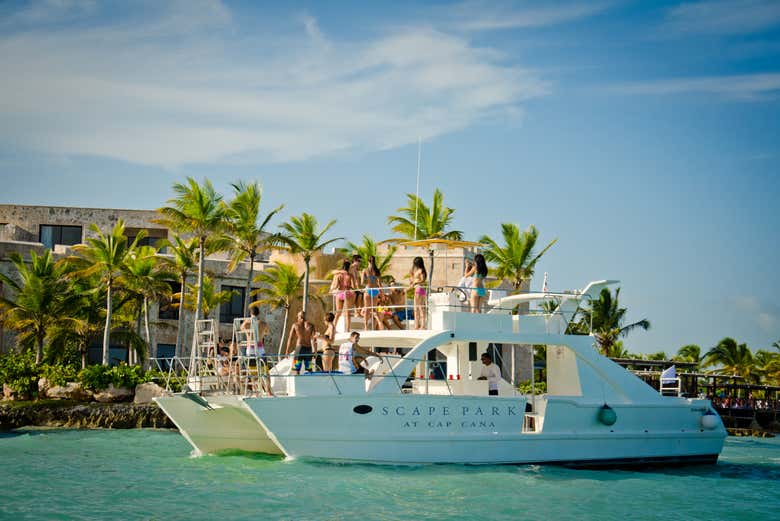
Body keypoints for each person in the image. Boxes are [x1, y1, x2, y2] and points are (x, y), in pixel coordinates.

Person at [330, 260, 356, 331]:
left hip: (339, 293)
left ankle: (333, 328)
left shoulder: (338, 275)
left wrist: (331, 290)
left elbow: (335, 286)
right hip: (347, 293)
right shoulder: (350, 275)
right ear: (349, 267)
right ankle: (347, 330)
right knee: (347, 313)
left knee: (338, 313)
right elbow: (353, 286)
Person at [362, 255, 382, 329]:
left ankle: (365, 327)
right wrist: (382, 293)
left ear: (368, 261)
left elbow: (362, 282)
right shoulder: (377, 270)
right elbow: (379, 284)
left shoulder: (365, 270)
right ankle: (379, 324)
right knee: (374, 309)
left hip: (368, 290)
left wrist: (368, 280)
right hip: (375, 290)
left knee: (367, 309)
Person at [408, 256, 427, 329]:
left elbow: (422, 280)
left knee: (417, 308)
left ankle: (418, 326)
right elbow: (413, 280)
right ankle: (421, 325)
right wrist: (412, 277)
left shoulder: (420, 271)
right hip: (421, 289)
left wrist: (415, 281)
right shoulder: (420, 270)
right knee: (421, 308)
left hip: (418, 288)